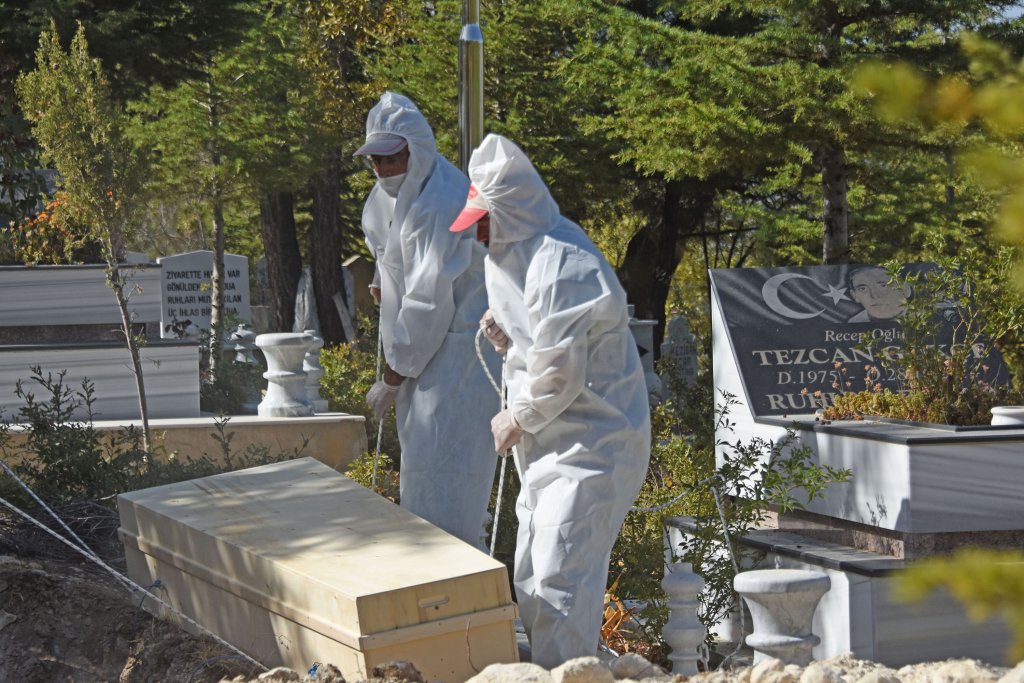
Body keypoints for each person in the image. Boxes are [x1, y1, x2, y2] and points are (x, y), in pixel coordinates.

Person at [449, 133, 651, 668]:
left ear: (509, 211)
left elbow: (562, 371)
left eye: (483, 222)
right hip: (548, 445)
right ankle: (549, 674)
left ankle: (570, 676)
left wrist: (518, 413)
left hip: (596, 442)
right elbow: (541, 342)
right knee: (534, 574)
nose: (477, 235)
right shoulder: (507, 257)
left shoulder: (563, 261)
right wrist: (508, 337)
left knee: (564, 573)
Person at [356, 92, 500, 550]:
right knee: (422, 478)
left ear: (416, 151)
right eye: (375, 160)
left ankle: (458, 601)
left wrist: (393, 376)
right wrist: (382, 277)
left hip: (457, 359)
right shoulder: (391, 194)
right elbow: (387, 245)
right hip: (424, 358)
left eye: (391, 158)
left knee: (450, 489)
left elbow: (427, 302)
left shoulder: (441, 202)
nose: (382, 169)